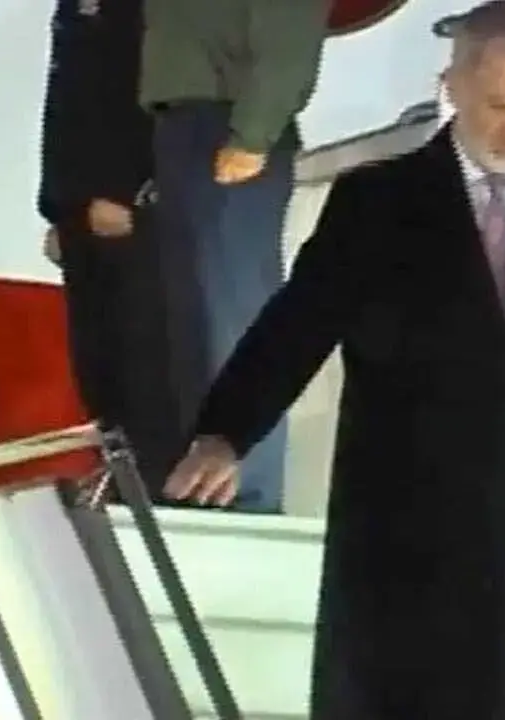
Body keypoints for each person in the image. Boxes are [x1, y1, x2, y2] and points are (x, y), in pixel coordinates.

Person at [164, 2, 505, 717]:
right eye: (497, 106)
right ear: (450, 83)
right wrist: (227, 430)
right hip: (397, 539)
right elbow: (297, 325)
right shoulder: (377, 200)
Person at [138, 0, 334, 513]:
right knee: (194, 331)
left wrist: (254, 133)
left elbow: (290, 36)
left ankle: (250, 499)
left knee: (235, 323)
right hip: (185, 125)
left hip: (230, 126)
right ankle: (205, 494)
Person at [37, 0, 181, 489]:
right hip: (78, 213)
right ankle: (118, 480)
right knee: (96, 366)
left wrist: (133, 194)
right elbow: (64, 108)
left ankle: (152, 493)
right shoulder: (72, 8)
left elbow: (157, 95)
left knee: (142, 364)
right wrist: (58, 207)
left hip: (128, 212)